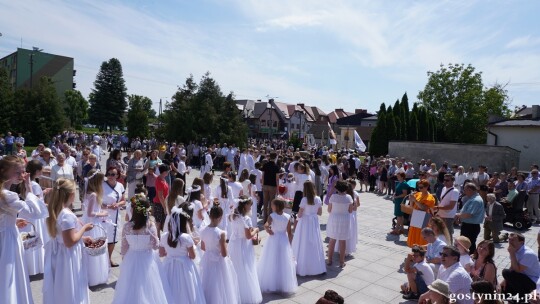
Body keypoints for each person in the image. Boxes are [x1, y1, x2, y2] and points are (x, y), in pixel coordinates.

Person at [112, 193, 170, 304]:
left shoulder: (127, 227)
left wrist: (125, 260)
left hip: (131, 257)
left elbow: (124, 247)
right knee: (149, 287)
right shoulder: (150, 226)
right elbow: (155, 245)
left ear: (133, 210)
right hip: (147, 259)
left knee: (129, 287)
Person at [0, 156, 43, 304]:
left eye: (23, 172)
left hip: (4, 232)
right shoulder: (7, 195)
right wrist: (29, 187)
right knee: (9, 274)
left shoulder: (4, 192)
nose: (22, 175)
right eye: (17, 172)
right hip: (7, 239)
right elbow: (36, 212)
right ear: (4, 171)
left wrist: (12, 220)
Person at [43, 179, 93, 304]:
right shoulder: (67, 215)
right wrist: (84, 228)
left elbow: (64, 236)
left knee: (62, 285)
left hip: (61, 253)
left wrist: (82, 238)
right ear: (71, 194)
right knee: (71, 285)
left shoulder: (57, 209)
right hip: (68, 255)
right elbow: (69, 242)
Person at [159, 206, 205, 304]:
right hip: (185, 266)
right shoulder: (186, 238)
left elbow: (161, 254)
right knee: (186, 290)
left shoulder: (164, 236)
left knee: (168, 289)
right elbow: (192, 256)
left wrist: (170, 252)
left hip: (168, 264)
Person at [200, 202, 241, 303]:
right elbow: (223, 253)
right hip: (218, 261)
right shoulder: (221, 233)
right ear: (220, 218)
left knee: (207, 282)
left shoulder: (203, 230)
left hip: (207, 259)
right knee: (220, 285)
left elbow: (203, 247)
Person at [258, 198, 298, 294]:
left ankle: (272, 282)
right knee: (282, 261)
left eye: (272, 205)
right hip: (283, 239)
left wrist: (268, 229)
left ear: (276, 206)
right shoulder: (287, 216)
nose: (271, 207)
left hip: (274, 239)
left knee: (271, 259)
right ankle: (281, 282)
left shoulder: (272, 216)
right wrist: (289, 245)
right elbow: (289, 232)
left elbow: (266, 225)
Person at [228, 196, 263, 304]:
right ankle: (245, 294)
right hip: (243, 245)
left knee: (236, 267)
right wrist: (256, 229)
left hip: (234, 243)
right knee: (246, 267)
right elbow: (248, 236)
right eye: (249, 204)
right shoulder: (246, 219)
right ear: (244, 206)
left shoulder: (233, 216)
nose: (251, 206)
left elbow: (239, 230)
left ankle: (234, 292)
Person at [81, 170, 110, 286]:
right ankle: (94, 275)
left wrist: (101, 210)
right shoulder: (93, 194)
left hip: (92, 221)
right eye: (101, 180)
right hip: (93, 223)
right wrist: (103, 214)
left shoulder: (90, 192)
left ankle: (92, 274)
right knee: (96, 247)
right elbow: (90, 213)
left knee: (94, 248)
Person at [292, 181, 326, 276]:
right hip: (314, 222)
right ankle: (315, 266)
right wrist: (313, 213)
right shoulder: (318, 199)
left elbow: (300, 213)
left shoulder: (304, 199)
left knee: (303, 242)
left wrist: (296, 218)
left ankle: (302, 266)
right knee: (314, 242)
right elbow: (320, 213)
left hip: (304, 222)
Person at [499, 233, 540, 300]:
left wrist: (512, 253)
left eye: (513, 240)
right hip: (522, 276)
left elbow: (517, 270)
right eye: (509, 239)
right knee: (503, 290)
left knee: (506, 272)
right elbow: (513, 266)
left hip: (532, 280)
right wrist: (504, 280)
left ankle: (524, 295)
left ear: (521, 242)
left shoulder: (528, 254)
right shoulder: (515, 249)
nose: (510, 242)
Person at [102, 167, 126, 267]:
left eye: (113, 174)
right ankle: (101, 261)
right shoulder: (102, 185)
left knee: (113, 238)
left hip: (116, 215)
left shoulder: (120, 185)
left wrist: (118, 204)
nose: (111, 176)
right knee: (103, 237)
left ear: (117, 175)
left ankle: (109, 259)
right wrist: (107, 206)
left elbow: (124, 200)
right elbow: (96, 200)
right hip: (103, 215)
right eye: (109, 174)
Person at [326, 180, 353, 268]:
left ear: (337, 188)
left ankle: (330, 260)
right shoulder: (349, 197)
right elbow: (350, 211)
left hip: (334, 218)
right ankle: (341, 262)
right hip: (345, 219)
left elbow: (329, 210)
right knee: (342, 241)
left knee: (332, 240)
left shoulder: (333, 197)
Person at [407, 179, 436, 248]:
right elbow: (411, 206)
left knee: (422, 236)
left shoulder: (430, 197)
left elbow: (424, 208)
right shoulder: (418, 194)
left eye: (421, 187)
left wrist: (415, 200)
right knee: (414, 235)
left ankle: (422, 251)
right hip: (416, 216)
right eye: (418, 187)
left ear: (426, 187)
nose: (419, 189)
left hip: (424, 218)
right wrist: (411, 199)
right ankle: (415, 251)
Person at [456, 183, 485, 253]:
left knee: (468, 245)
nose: (464, 192)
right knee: (465, 244)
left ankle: (470, 260)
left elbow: (468, 215)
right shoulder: (473, 199)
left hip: (470, 227)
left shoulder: (475, 200)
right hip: (468, 226)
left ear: (469, 190)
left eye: (465, 190)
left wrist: (457, 215)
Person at [153, 164, 170, 239]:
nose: (168, 172)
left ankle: (160, 237)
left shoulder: (163, 178)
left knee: (162, 221)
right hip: (159, 203)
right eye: (167, 171)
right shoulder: (159, 181)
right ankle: (158, 238)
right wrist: (165, 207)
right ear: (164, 172)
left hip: (163, 203)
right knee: (158, 222)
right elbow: (160, 196)